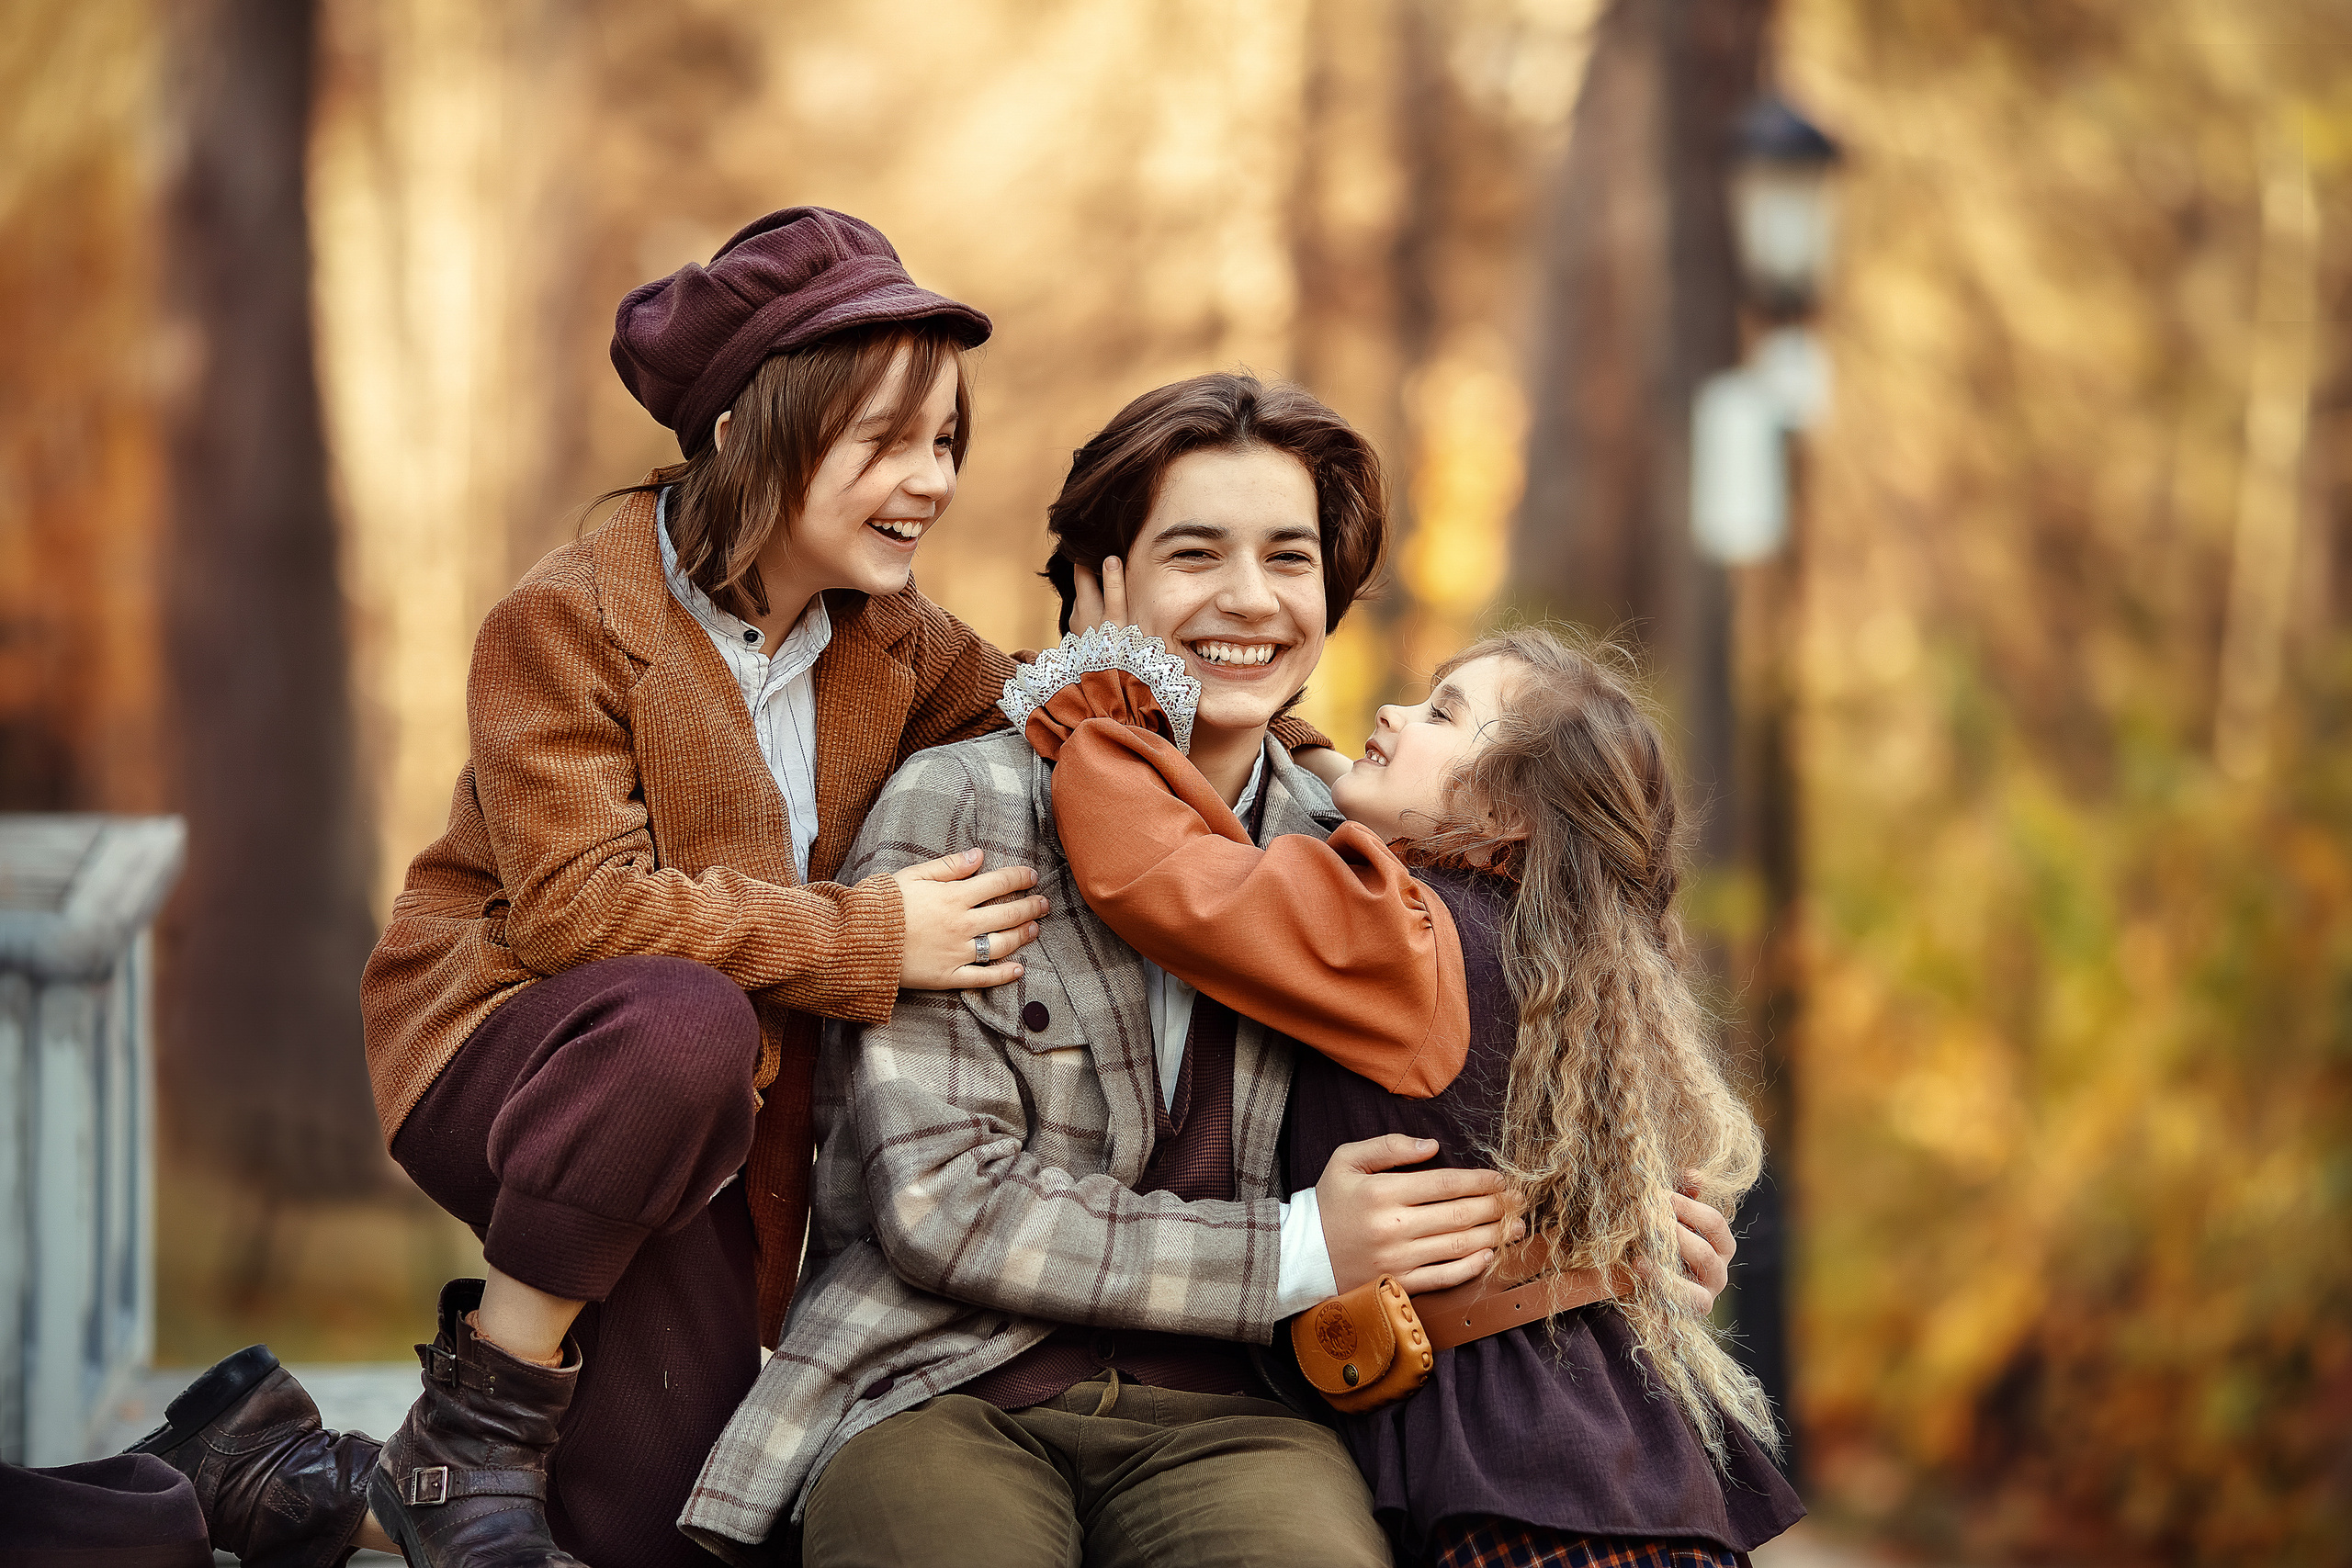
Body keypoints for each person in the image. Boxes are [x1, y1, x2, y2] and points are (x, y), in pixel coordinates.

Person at [128, 209, 1340, 1568]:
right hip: (516, 1052)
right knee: (682, 1019)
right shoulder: (569, 619)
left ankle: (279, 1468)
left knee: (663, 1521)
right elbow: (578, 913)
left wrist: (1275, 736)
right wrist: (874, 933)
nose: (928, 478)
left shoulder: (893, 639)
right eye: (882, 441)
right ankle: (483, 1411)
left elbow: (1065, 710)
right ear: (752, 435)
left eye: (945, 440)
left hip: (714, 1119)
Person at [679, 372, 1738, 1566]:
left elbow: (1501, 1091)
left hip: (1244, 1411)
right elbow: (942, 1206)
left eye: (1289, 557)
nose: (1251, 597)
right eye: (1196, 552)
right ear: (1103, 583)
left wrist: (1613, 1234)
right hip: (939, 1377)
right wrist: (1296, 1248)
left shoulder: (1370, 862)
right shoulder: (958, 806)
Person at [1012, 608, 1808, 1567]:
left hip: (1515, 1490)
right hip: (1616, 1470)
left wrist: (1100, 705)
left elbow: (1155, 868)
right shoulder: (1565, 963)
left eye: (1440, 712)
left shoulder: (1404, 939)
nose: (1390, 712)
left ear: (1507, 813)